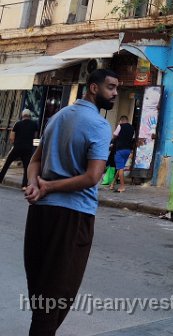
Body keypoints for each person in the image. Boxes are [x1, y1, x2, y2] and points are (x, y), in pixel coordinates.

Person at [23, 68, 118, 336]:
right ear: (93, 88)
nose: (115, 93)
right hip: (72, 216)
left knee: (41, 292)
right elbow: (93, 176)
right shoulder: (99, 125)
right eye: (110, 87)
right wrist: (46, 186)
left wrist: (34, 185)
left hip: (41, 213)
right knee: (56, 295)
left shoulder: (57, 117)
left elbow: (35, 161)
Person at [0, 109, 37, 187]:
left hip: (17, 147)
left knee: (7, 163)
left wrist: (15, 143)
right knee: (26, 167)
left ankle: (0, 179)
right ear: (30, 116)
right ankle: (24, 185)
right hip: (28, 148)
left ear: (22, 115)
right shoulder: (34, 124)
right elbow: (35, 136)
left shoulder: (18, 124)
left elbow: (11, 137)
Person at [110, 115, 134, 192]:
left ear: (121, 120)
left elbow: (114, 135)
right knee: (120, 167)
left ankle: (122, 186)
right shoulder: (132, 128)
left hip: (120, 149)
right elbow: (132, 138)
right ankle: (112, 184)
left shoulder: (120, 126)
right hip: (128, 150)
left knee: (120, 168)